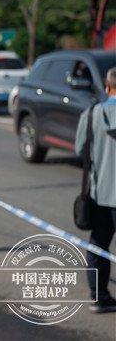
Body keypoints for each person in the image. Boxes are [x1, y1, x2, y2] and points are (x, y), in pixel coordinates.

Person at [75, 67, 116, 313]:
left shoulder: (91, 114)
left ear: (107, 86)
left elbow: (81, 150)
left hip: (100, 195)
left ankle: (99, 296)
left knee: (98, 246)